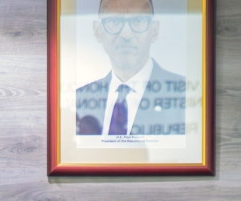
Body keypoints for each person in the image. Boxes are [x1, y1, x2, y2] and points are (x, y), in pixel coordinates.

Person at [74, 0, 186, 137]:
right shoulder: (79, 99)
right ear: (98, 31)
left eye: (138, 20)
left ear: (154, 30)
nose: (126, 35)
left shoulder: (184, 94)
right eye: (114, 21)